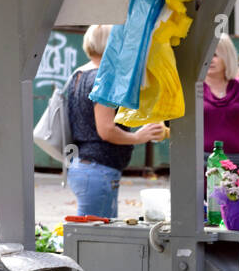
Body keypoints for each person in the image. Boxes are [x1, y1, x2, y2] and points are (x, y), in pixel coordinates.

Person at [66, 24, 166, 218]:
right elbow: (106, 130)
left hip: (85, 166)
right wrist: (138, 137)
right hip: (99, 168)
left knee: (94, 233)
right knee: (98, 237)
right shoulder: (103, 78)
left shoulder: (79, 75)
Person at [204, 35, 239, 168]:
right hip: (201, 161)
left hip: (235, 161)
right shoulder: (194, 88)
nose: (210, 59)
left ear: (226, 56)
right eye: (206, 54)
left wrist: (237, 142)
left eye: (215, 54)